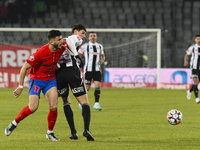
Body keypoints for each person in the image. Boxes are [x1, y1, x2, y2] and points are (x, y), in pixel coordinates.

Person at [4, 30, 65, 141]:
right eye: (59, 39)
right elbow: (24, 68)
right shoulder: (40, 53)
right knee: (33, 107)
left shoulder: (63, 47)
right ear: (51, 42)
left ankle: (50, 133)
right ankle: (14, 123)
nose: (62, 41)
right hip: (36, 80)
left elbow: (74, 41)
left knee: (54, 106)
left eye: (61, 39)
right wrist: (20, 86)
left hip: (50, 80)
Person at [56, 24, 94, 141]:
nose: (83, 37)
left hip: (59, 73)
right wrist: (77, 56)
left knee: (66, 101)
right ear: (75, 31)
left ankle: (73, 132)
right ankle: (86, 129)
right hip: (72, 71)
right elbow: (70, 40)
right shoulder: (74, 38)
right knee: (84, 102)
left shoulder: (57, 43)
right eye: (82, 33)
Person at [78, 32, 105, 110]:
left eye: (94, 36)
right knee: (87, 87)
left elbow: (102, 54)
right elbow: (78, 53)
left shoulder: (100, 46)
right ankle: (81, 102)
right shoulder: (85, 46)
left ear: (96, 37)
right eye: (91, 36)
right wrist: (78, 62)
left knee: (97, 86)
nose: (93, 37)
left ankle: (96, 103)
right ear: (89, 38)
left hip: (97, 70)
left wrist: (103, 59)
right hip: (88, 70)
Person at [183, 34, 200, 104]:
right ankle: (197, 98)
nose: (199, 40)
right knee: (196, 82)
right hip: (194, 68)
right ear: (195, 40)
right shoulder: (192, 48)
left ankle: (189, 91)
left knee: (197, 82)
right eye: (197, 39)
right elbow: (187, 55)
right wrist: (185, 61)